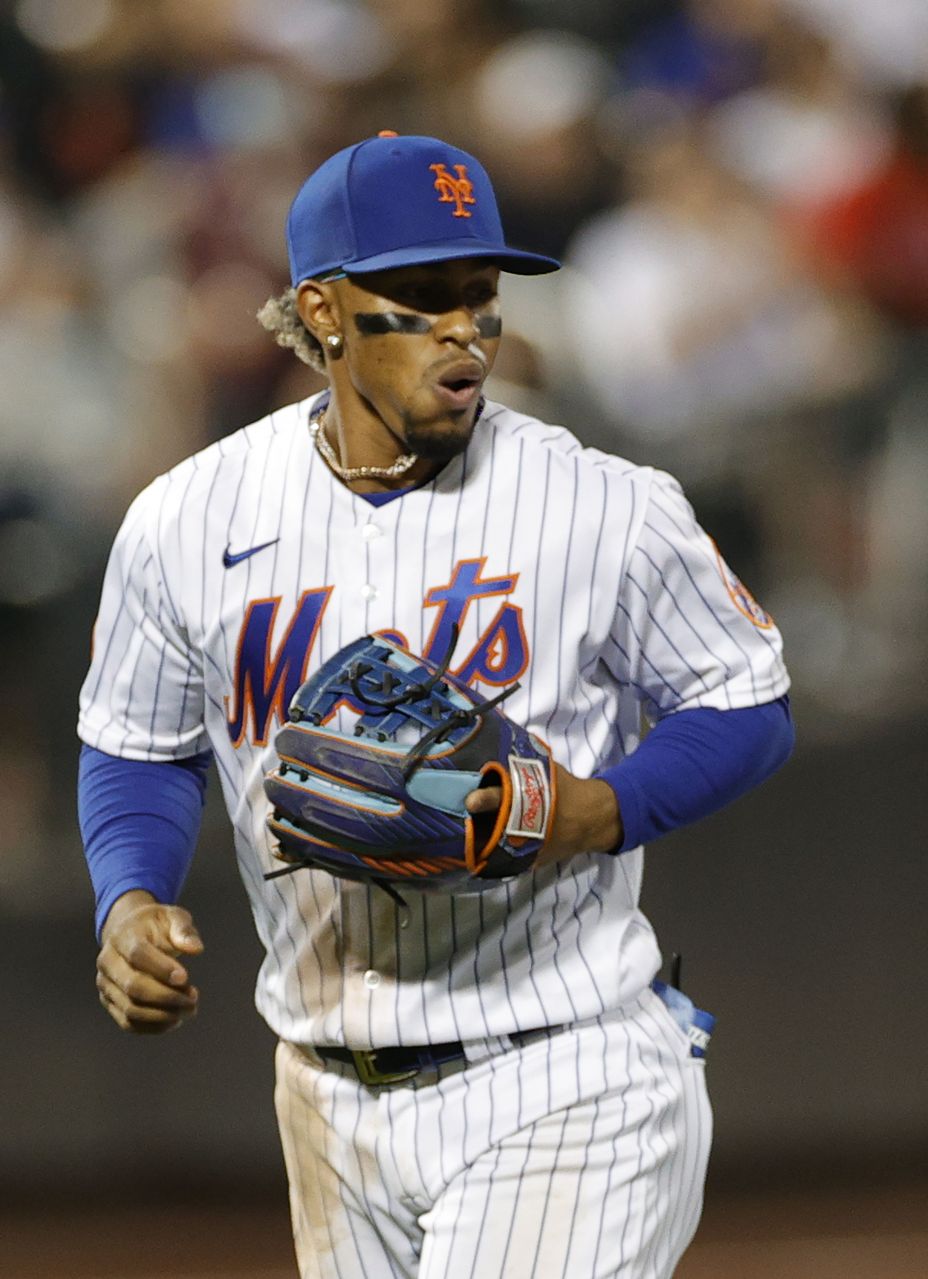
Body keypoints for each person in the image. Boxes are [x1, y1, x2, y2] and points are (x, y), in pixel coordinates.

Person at [78, 132, 794, 1278]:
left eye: (481, 298)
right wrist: (128, 898)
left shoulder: (604, 503)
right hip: (322, 1091)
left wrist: (599, 810)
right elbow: (138, 745)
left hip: (565, 1067)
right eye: (421, 300)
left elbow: (749, 700)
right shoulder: (185, 520)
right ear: (322, 312)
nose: (467, 331)